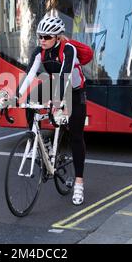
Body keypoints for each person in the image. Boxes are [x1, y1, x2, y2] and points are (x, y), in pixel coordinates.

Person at [16, 16, 87, 205]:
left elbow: (65, 75)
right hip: (54, 84)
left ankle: (79, 182)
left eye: (46, 37)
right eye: (40, 36)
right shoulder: (40, 51)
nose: (42, 40)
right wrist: (16, 96)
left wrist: (57, 102)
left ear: (57, 37)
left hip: (74, 91)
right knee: (31, 99)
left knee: (76, 136)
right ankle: (37, 141)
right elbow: (30, 73)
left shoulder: (68, 49)